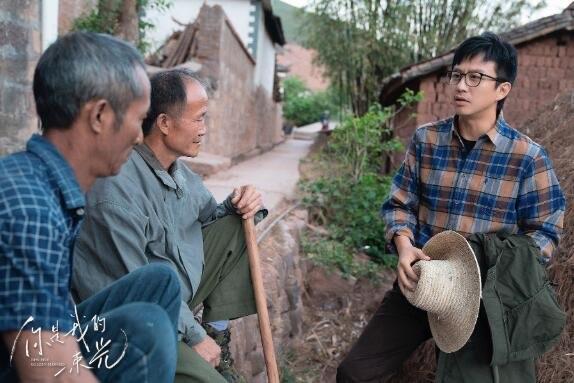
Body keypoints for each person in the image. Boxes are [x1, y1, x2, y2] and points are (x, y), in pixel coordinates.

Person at [336, 32, 566, 382]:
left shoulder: (527, 157)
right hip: (423, 279)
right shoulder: (426, 140)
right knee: (355, 373)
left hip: (482, 300)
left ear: (502, 89)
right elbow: (399, 203)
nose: (461, 86)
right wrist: (403, 247)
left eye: (476, 78)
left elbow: (547, 230)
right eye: (457, 75)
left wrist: (498, 271)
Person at [0, 32, 182, 382]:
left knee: (160, 283)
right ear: (99, 115)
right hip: (26, 364)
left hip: (27, 349)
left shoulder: (41, 181)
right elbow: (48, 371)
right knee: (144, 335)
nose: (140, 136)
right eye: (138, 119)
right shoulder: (31, 210)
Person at [72, 68, 266, 383]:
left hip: (173, 297)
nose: (205, 129)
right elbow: (134, 286)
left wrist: (239, 202)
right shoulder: (117, 190)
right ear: (164, 123)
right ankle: (195, 341)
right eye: (199, 118)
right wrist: (192, 336)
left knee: (237, 222)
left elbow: (212, 220)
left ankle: (217, 334)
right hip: (129, 317)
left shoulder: (183, 177)